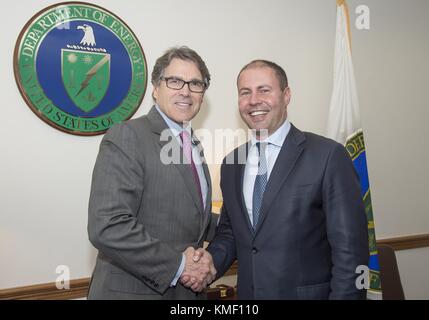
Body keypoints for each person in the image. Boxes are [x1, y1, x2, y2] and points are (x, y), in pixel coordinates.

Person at [198, 60, 369, 299]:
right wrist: (205, 266)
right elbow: (231, 233)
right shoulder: (231, 164)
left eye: (264, 90)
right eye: (245, 92)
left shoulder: (328, 156)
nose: (254, 100)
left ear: (286, 95)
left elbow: (350, 251)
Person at [87, 46, 217, 300]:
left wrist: (242, 225)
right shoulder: (128, 135)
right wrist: (180, 265)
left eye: (195, 84)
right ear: (156, 89)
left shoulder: (192, 144)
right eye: (175, 81)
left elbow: (188, 215)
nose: (186, 91)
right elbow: (108, 225)